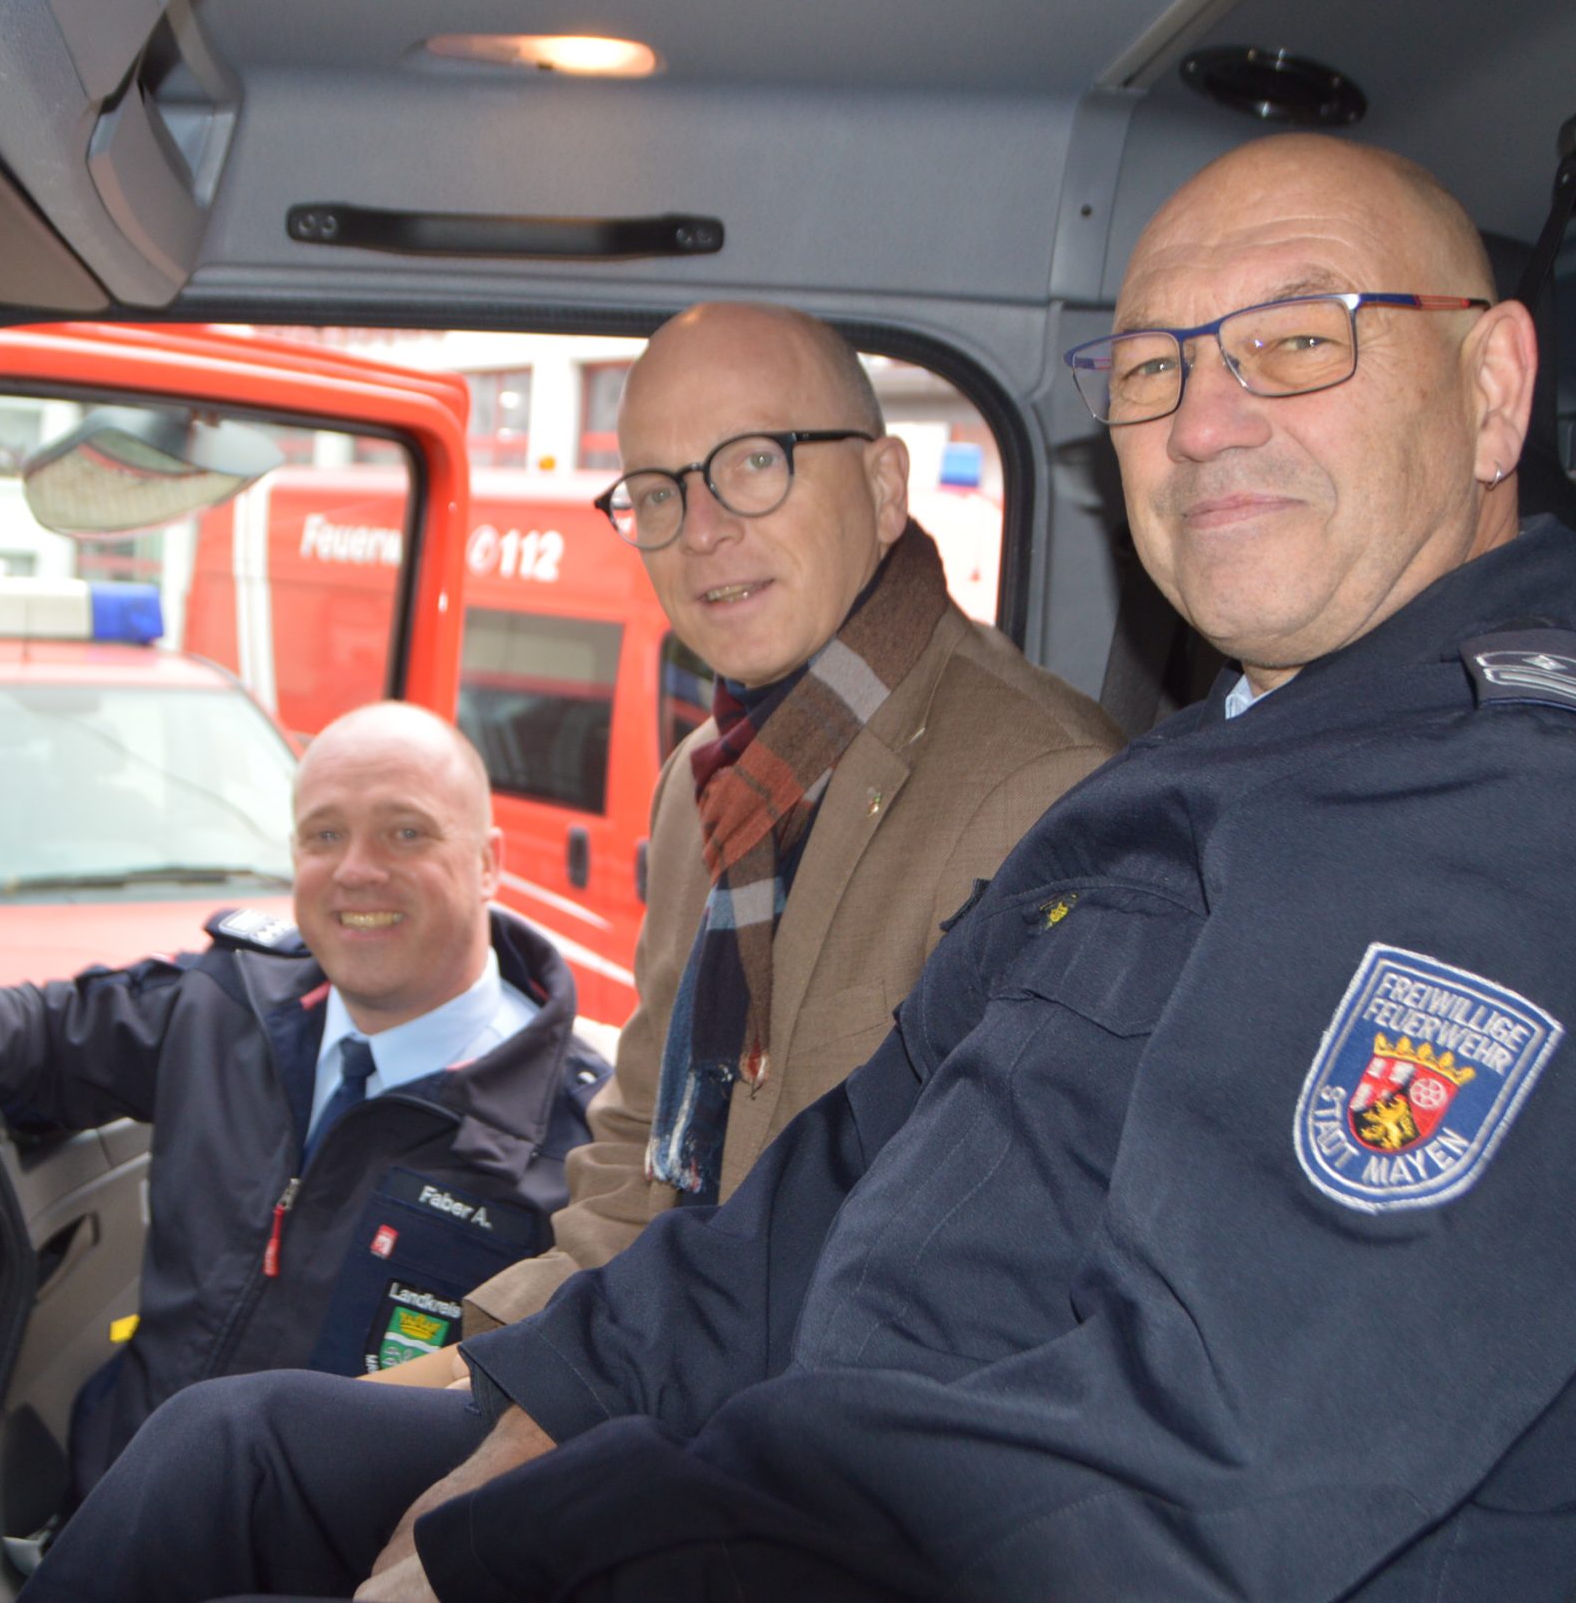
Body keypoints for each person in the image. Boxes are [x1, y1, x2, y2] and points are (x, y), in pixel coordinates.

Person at [21, 135, 1576, 1603]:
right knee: (227, 1455)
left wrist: (541, 1541)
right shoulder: (1220, 774)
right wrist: (548, 1404)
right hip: (825, 1447)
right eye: (1154, 368)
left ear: (1493, 387)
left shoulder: (1518, 836)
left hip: (922, 1519)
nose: (1205, 419)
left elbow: (1167, 1490)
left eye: (1298, 340)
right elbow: (831, 1173)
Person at [381, 301, 1120, 1372]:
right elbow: (639, 1153)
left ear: (884, 488)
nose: (700, 529)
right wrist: (493, 1365)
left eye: (755, 463)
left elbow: (974, 1285)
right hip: (641, 1359)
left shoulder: (1044, 788)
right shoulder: (706, 784)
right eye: (657, 490)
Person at [0, 702, 610, 1505]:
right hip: (119, 1505)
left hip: (334, 1555)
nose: (356, 870)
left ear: (488, 862)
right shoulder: (226, 1003)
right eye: (324, 835)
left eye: (406, 832)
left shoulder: (582, 1148)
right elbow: (54, 1032)